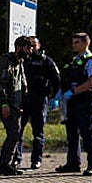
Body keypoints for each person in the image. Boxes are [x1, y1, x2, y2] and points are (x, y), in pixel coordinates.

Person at [55, 31, 92, 176]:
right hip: (71, 103)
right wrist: (59, 95)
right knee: (72, 134)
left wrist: (75, 91)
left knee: (88, 133)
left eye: (77, 42)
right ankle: (73, 163)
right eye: (73, 42)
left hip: (84, 102)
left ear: (86, 43)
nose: (73, 45)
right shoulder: (74, 61)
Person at [0, 36, 32, 176]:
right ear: (19, 47)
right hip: (6, 103)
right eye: (28, 48)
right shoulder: (6, 61)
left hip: (16, 104)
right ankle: (3, 165)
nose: (30, 51)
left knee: (15, 133)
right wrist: (4, 104)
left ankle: (6, 163)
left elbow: (21, 84)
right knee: (13, 133)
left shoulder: (19, 62)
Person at [22, 36, 61, 170]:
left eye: (34, 45)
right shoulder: (22, 60)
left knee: (38, 131)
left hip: (39, 99)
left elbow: (56, 80)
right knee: (17, 131)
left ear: (39, 45)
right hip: (23, 99)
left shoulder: (46, 61)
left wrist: (56, 98)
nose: (31, 48)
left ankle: (36, 159)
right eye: (29, 45)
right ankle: (16, 159)